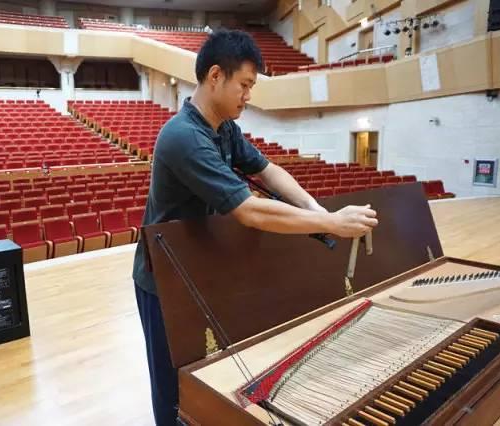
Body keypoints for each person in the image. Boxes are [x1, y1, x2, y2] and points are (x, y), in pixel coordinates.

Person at [132, 29, 378, 426]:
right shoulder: (183, 136)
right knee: (172, 387)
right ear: (216, 76)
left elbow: (268, 170)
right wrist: (332, 222)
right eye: (244, 85)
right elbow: (249, 211)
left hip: (201, 265)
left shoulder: (224, 127)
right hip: (163, 277)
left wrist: (315, 209)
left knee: (206, 371)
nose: (249, 95)